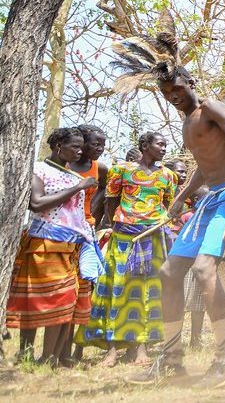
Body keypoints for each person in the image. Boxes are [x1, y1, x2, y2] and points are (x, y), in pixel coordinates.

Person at [110, 11, 225, 387]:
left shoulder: (209, 107)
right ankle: (172, 358)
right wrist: (180, 197)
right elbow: (204, 167)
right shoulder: (186, 121)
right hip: (210, 199)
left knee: (205, 270)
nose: (175, 98)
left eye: (179, 91)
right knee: (169, 271)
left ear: (191, 82)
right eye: (168, 95)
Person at [79, 132, 176, 366]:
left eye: (165, 145)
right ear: (144, 145)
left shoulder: (168, 175)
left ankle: (141, 348)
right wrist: (120, 225)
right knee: (118, 290)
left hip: (152, 238)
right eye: (159, 144)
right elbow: (111, 200)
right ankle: (112, 349)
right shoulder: (121, 170)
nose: (163, 148)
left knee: (147, 292)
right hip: (124, 238)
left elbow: (166, 205)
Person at [8, 128, 98, 366]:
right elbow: (36, 203)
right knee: (37, 300)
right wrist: (78, 188)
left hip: (71, 246)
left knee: (66, 300)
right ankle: (26, 354)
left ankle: (49, 359)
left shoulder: (72, 175)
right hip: (43, 243)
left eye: (81, 147)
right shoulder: (39, 169)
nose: (80, 151)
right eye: (75, 147)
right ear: (58, 145)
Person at [64, 124, 108, 364]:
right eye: (95, 144)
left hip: (87, 231)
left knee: (85, 289)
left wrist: (93, 213)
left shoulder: (98, 167)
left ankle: (77, 350)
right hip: (64, 231)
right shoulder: (66, 165)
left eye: (103, 145)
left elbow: (105, 189)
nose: (99, 149)